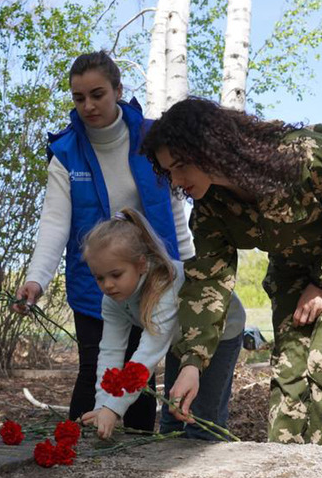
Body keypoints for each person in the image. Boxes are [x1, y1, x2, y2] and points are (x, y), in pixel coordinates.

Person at [140, 97, 322, 448]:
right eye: (169, 172)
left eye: (182, 166)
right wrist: (192, 362)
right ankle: (282, 471)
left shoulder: (305, 154)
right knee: (290, 369)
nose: (178, 180)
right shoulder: (210, 205)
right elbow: (209, 282)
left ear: (211, 149)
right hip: (293, 264)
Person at [14, 51, 195, 431]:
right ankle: (79, 445)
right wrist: (36, 279)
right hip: (97, 281)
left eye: (97, 94)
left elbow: (174, 209)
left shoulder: (151, 139)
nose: (88, 105)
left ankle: (137, 455)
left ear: (117, 89)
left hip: (153, 278)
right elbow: (54, 222)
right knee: (97, 365)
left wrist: (192, 269)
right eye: (79, 98)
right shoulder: (66, 153)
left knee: (141, 374)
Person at [79, 209, 244, 440]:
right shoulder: (112, 301)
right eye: (100, 277)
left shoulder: (164, 287)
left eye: (116, 274)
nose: (107, 285)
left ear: (142, 264)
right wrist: (102, 406)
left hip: (218, 332)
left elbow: (147, 355)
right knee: (172, 415)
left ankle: (209, 467)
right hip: (178, 338)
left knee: (201, 416)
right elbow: (110, 352)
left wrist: (114, 409)